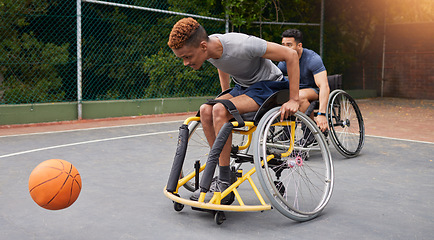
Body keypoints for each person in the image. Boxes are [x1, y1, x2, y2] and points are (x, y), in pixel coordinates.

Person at [167, 17, 300, 204]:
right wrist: (225, 93)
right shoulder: (211, 49)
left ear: (203, 46)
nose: (185, 63)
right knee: (206, 109)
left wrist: (294, 99)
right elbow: (223, 64)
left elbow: (291, 55)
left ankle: (224, 182)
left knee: (220, 110)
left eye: (187, 57)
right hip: (244, 87)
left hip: (270, 86)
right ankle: (223, 171)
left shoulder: (242, 45)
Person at [277, 29, 329, 132]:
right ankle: (288, 131)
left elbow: (324, 86)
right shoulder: (284, 61)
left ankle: (310, 131)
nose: (285, 48)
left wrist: (322, 113)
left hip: (313, 90)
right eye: (283, 45)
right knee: (282, 95)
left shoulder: (313, 59)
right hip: (296, 91)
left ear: (299, 46)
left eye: (289, 45)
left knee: (298, 96)